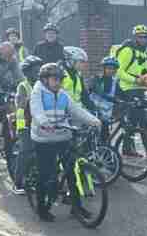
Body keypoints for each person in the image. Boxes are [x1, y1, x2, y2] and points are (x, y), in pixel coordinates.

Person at [29, 62, 101, 221]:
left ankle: (76, 208)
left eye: (60, 80)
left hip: (62, 135)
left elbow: (76, 110)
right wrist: (44, 122)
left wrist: (93, 121)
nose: (58, 83)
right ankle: (42, 209)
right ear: (45, 79)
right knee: (45, 174)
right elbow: (36, 110)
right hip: (44, 138)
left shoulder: (63, 94)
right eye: (55, 79)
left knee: (71, 174)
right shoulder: (37, 92)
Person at [114, 24, 147, 157]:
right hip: (127, 89)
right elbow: (118, 71)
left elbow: (145, 69)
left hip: (139, 89)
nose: (143, 39)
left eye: (145, 37)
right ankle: (145, 150)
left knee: (138, 121)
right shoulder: (128, 50)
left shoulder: (145, 52)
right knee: (139, 120)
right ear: (135, 37)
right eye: (140, 37)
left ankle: (132, 149)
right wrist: (135, 80)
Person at [12, 56, 43, 195]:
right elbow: (20, 106)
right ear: (27, 72)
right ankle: (18, 183)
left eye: (39, 70)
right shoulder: (23, 86)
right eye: (35, 70)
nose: (38, 73)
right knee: (25, 152)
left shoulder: (43, 85)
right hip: (25, 123)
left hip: (40, 123)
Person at [91, 56, 121, 141]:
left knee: (105, 138)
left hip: (106, 116)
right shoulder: (97, 79)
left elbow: (122, 94)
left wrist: (133, 100)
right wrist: (111, 98)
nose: (111, 71)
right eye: (109, 68)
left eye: (113, 69)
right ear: (104, 69)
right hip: (94, 113)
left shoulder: (115, 82)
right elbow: (97, 90)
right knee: (95, 138)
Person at [61, 46, 94, 111]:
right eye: (81, 62)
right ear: (71, 60)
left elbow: (84, 96)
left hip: (76, 111)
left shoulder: (78, 75)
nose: (83, 65)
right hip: (63, 110)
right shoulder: (60, 73)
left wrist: (94, 108)